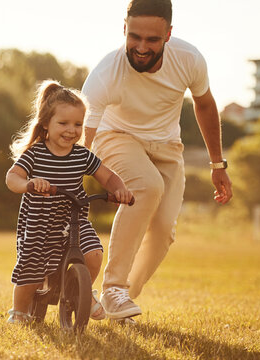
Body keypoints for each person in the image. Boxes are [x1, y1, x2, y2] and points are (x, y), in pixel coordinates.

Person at [81, 0, 233, 321]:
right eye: (134, 37)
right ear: (124, 29)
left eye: (152, 40)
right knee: (147, 186)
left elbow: (204, 105)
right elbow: (86, 135)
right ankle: (113, 287)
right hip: (117, 136)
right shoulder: (106, 73)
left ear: (168, 34)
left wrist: (217, 165)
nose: (140, 47)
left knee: (164, 230)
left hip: (167, 146)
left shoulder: (188, 59)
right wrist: (81, 177)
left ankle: (121, 299)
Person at [5, 80, 134, 324]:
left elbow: (107, 176)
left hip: (72, 220)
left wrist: (120, 190)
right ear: (46, 124)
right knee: (31, 271)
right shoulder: (35, 153)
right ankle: (19, 312)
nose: (71, 130)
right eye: (63, 123)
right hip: (39, 223)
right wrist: (29, 184)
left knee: (94, 253)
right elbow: (12, 178)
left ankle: (82, 292)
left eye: (77, 124)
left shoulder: (82, 155)